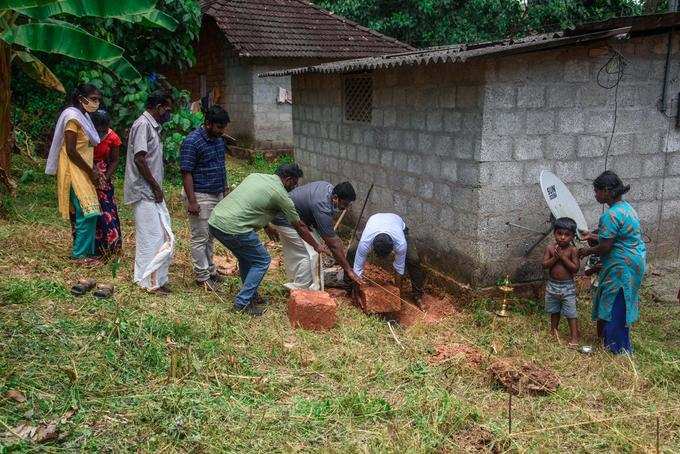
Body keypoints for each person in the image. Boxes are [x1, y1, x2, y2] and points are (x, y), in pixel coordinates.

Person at [208, 164, 330, 316]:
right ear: (288, 179)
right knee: (262, 260)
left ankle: (251, 295)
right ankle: (242, 303)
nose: (295, 186)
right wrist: (316, 245)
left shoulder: (256, 176)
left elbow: (252, 203)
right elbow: (299, 226)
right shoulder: (281, 195)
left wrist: (266, 226)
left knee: (247, 259)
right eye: (294, 183)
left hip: (215, 221)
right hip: (234, 228)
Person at [579, 171, 646, 354]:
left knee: (616, 301)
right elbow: (616, 237)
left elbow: (606, 246)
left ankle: (618, 349)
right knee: (615, 300)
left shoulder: (610, 215)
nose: (595, 195)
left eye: (597, 191)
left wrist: (586, 251)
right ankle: (608, 341)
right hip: (633, 261)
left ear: (607, 191)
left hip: (621, 266)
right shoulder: (626, 208)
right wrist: (592, 235)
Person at [45, 83, 103, 265]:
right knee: (87, 212)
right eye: (93, 99)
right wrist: (90, 170)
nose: (96, 103)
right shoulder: (72, 118)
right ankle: (79, 255)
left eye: (98, 99)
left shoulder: (84, 117)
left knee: (89, 212)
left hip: (83, 170)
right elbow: (71, 150)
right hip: (73, 170)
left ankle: (87, 253)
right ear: (81, 99)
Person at [123, 91, 175, 293]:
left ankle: (157, 280)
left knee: (161, 236)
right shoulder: (143, 125)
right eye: (168, 109)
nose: (168, 113)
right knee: (150, 237)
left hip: (151, 191)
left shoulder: (151, 126)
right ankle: (146, 282)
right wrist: (154, 186)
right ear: (159, 106)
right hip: (145, 191)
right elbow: (140, 159)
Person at [267, 181, 363, 290]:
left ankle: (302, 280)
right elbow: (333, 245)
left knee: (314, 247)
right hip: (284, 219)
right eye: (344, 204)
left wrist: (338, 252)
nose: (345, 208)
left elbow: (333, 239)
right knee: (311, 254)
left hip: (297, 218)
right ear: (335, 197)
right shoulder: (322, 206)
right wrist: (349, 270)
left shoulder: (328, 189)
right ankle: (301, 289)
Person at [180, 105, 231, 290]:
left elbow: (220, 166)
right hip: (200, 194)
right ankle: (202, 277)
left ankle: (210, 270)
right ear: (208, 124)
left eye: (223, 127)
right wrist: (192, 201)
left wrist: (225, 190)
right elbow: (186, 172)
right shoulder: (192, 141)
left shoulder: (218, 140)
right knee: (200, 237)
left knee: (210, 235)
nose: (222, 131)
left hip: (216, 193)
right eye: (219, 127)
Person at [348, 213, 425, 305]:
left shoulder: (400, 243)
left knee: (413, 259)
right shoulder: (365, 242)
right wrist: (357, 295)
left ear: (392, 247)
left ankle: (417, 295)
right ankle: (348, 287)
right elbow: (358, 269)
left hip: (398, 225)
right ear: (372, 247)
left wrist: (397, 296)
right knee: (352, 251)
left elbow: (399, 269)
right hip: (373, 223)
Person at [542, 217, 580, 347]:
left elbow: (575, 268)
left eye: (567, 235)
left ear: (573, 236)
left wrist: (563, 258)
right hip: (552, 285)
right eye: (559, 233)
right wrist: (554, 259)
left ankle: (574, 338)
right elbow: (545, 265)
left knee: (570, 312)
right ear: (554, 233)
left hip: (567, 287)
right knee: (554, 310)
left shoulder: (572, 250)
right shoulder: (550, 248)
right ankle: (553, 332)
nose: (562, 237)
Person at [90, 109, 122, 257]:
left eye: (104, 129)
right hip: (86, 171)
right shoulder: (86, 134)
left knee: (107, 210)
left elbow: (115, 160)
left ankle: (110, 246)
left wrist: (106, 177)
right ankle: (91, 248)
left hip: (103, 175)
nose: (101, 132)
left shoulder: (113, 138)